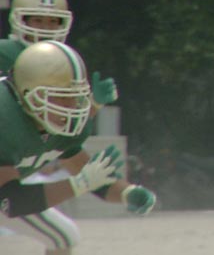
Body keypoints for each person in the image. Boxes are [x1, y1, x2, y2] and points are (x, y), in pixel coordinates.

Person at [0, 40, 156, 255]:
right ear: (27, 94)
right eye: (60, 97)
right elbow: (13, 201)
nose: (71, 108)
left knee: (63, 236)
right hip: (8, 195)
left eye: (74, 97)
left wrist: (128, 193)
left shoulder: (58, 125)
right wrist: (79, 184)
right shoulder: (5, 119)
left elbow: (93, 176)